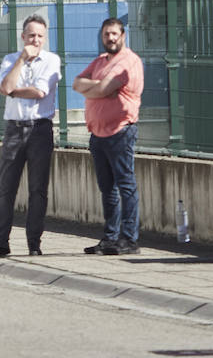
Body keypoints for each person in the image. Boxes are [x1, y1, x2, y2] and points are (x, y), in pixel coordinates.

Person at [0, 14, 60, 259]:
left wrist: (13, 91)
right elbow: (4, 87)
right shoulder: (9, 60)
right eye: (31, 35)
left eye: (39, 36)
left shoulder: (52, 60)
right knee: (6, 189)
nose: (35, 40)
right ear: (23, 36)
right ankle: (0, 243)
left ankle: (34, 243)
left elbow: (40, 91)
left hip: (40, 129)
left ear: (44, 38)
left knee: (38, 190)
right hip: (14, 129)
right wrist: (20, 62)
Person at [74, 17, 144, 257]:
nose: (111, 38)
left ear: (122, 35)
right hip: (98, 134)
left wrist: (94, 89)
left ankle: (129, 239)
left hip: (121, 132)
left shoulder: (130, 62)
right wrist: (99, 86)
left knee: (126, 185)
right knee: (107, 189)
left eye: (114, 34)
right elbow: (76, 83)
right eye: (106, 34)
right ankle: (110, 237)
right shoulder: (100, 61)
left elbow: (105, 88)